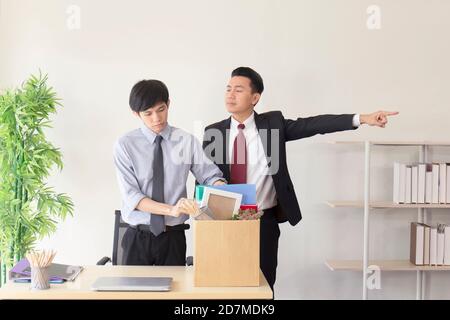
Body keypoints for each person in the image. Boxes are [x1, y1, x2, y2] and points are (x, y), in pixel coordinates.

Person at [202, 67, 398, 289]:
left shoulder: (273, 124)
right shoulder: (213, 132)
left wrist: (362, 118)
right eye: (228, 89)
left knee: (263, 285)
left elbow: (314, 125)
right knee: (222, 285)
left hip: (262, 221)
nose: (230, 94)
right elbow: (205, 179)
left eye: (238, 90)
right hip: (224, 223)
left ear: (255, 98)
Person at [114, 79, 226, 266]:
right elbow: (132, 196)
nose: (156, 119)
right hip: (137, 237)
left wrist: (220, 187)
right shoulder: (125, 145)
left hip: (173, 238)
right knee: (133, 295)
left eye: (161, 109)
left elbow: (209, 175)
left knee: (174, 294)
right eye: (148, 113)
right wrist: (171, 210)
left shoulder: (186, 141)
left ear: (168, 104)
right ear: (136, 113)